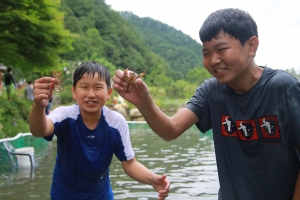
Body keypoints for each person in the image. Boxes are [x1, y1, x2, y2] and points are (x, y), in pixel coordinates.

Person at [112, 8, 300, 200]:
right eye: (206, 53)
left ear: (251, 46)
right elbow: (170, 130)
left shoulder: (283, 87)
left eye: (221, 50)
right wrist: (144, 102)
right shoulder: (212, 91)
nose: (213, 60)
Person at [29, 61, 170, 200]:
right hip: (63, 195)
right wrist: (38, 106)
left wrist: (152, 179)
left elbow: (129, 163)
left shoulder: (116, 122)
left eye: (98, 87)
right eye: (84, 87)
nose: (91, 94)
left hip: (101, 196)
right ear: (74, 92)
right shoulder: (64, 115)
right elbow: (39, 131)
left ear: (109, 93)